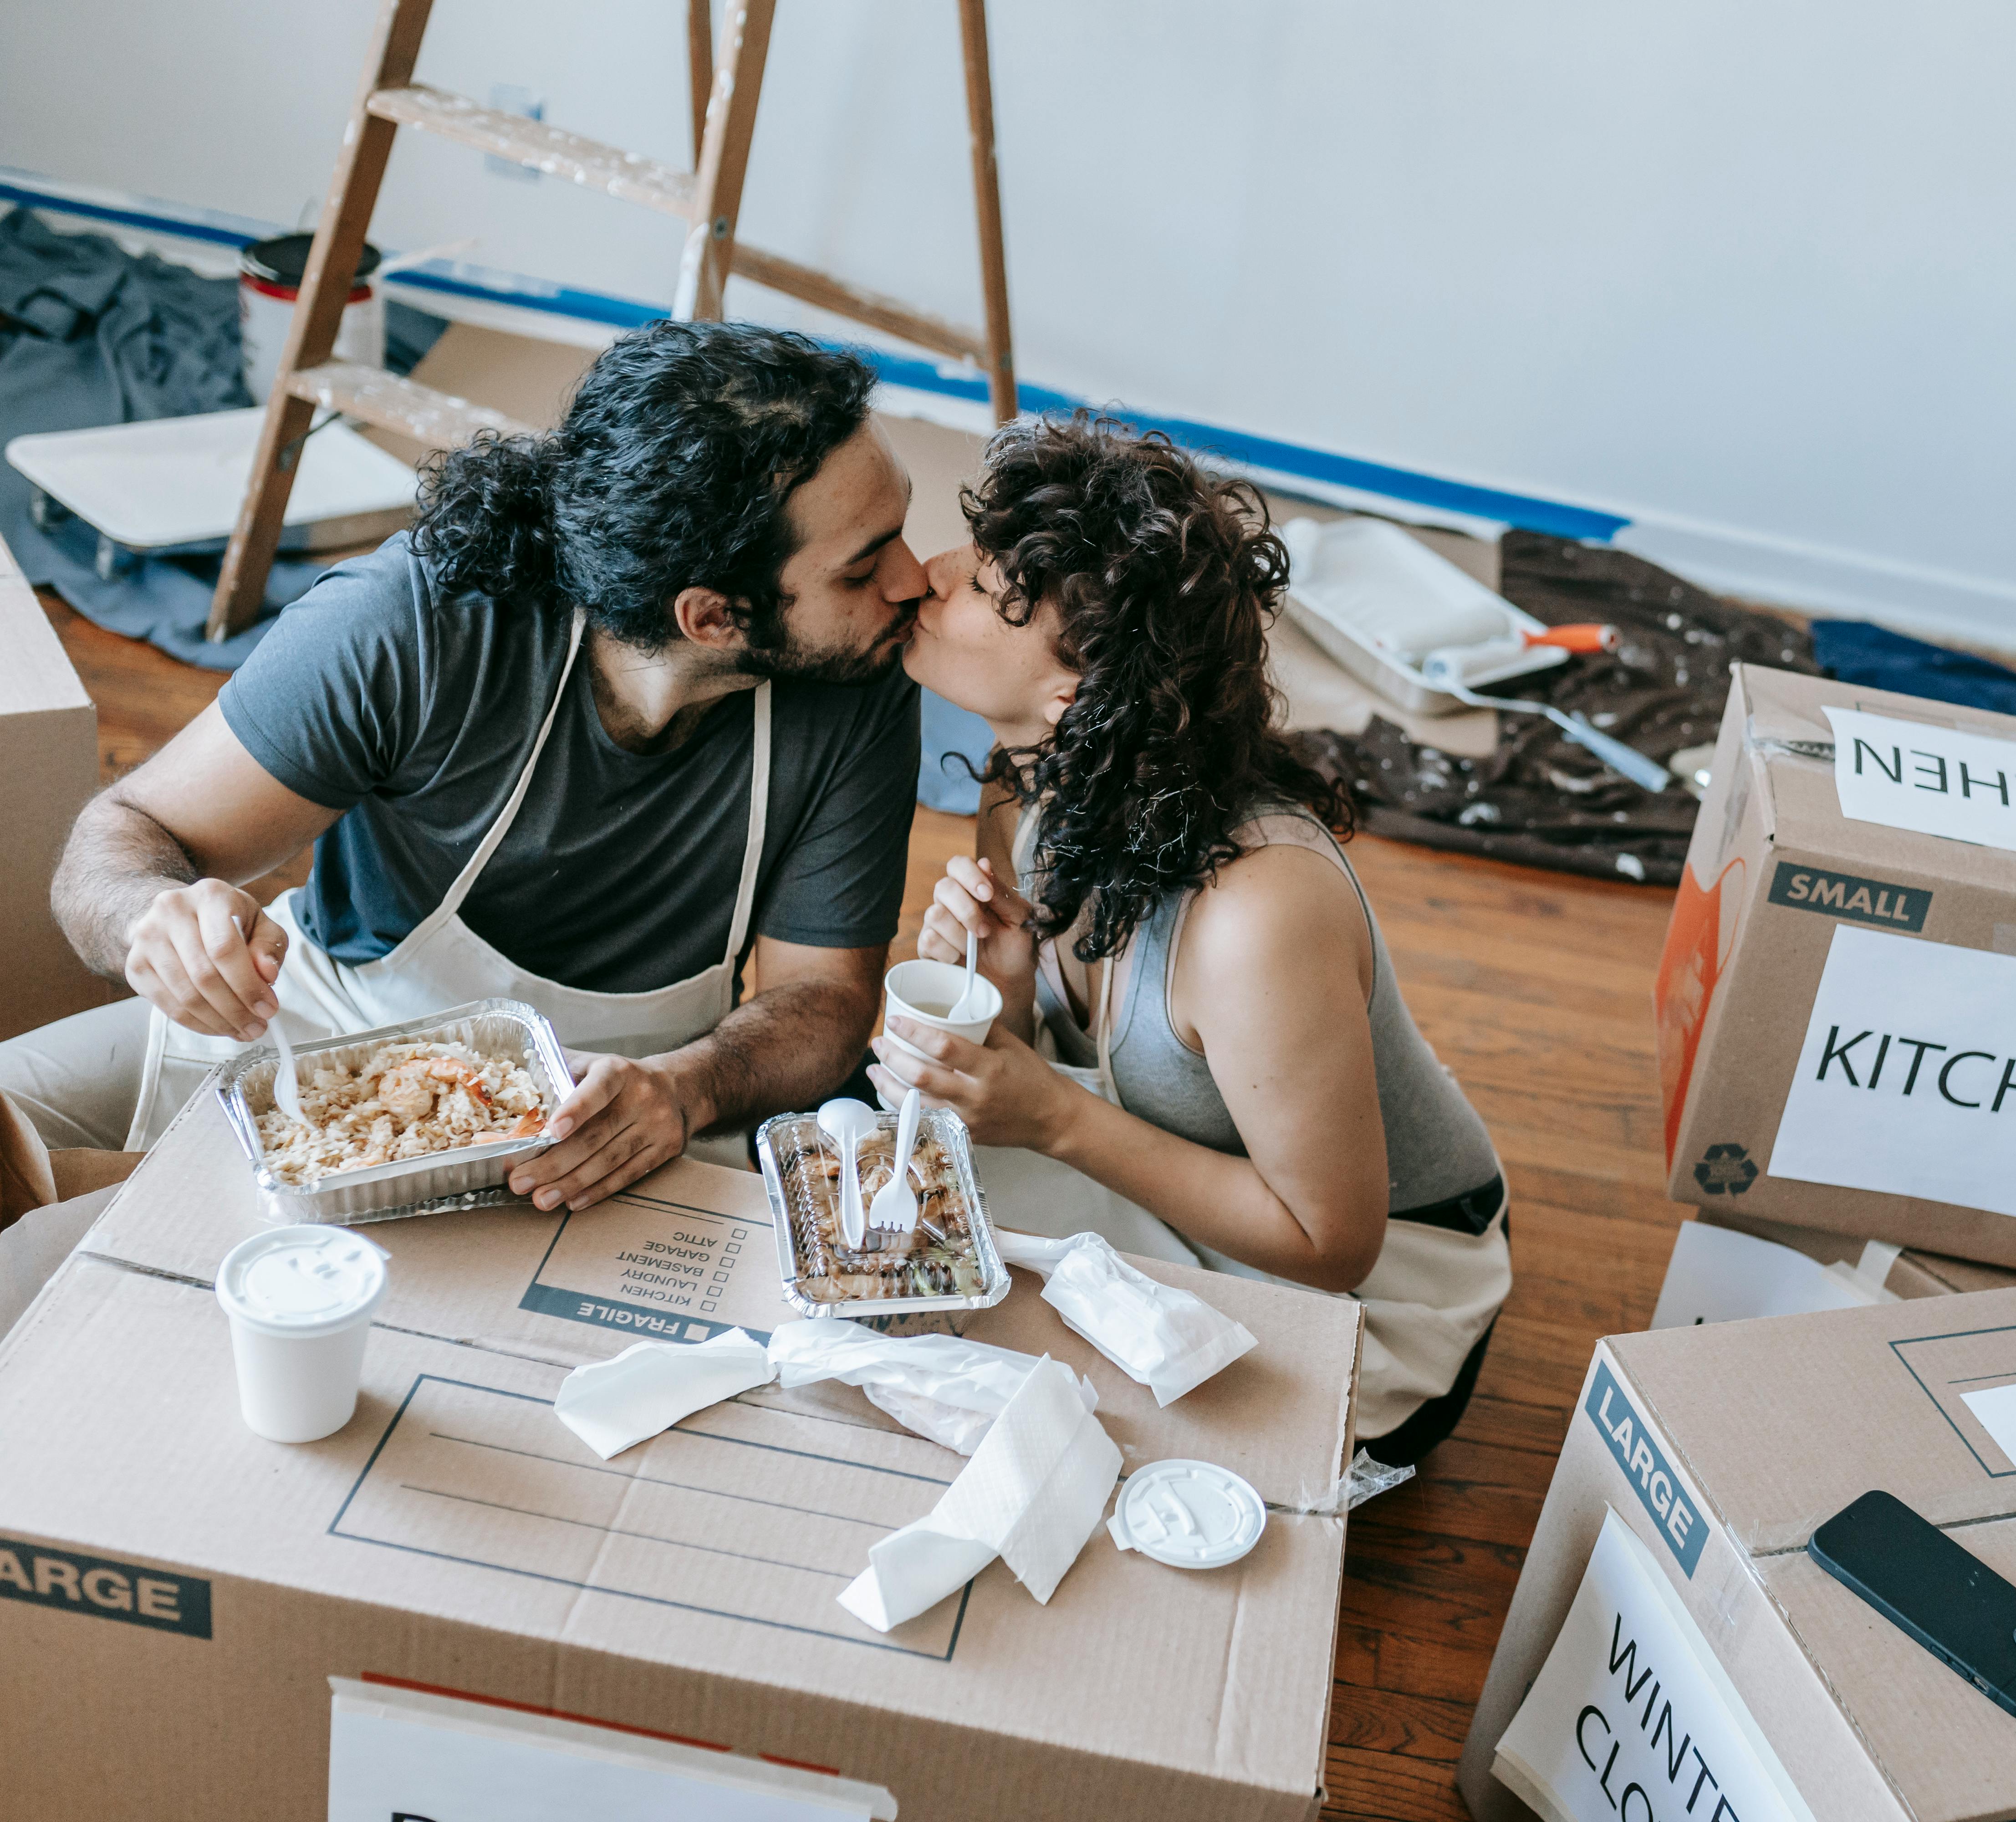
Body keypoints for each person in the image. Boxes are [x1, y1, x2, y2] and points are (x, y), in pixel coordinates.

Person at [3, 320, 929, 1224]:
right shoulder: (408, 626)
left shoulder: (857, 675)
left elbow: (828, 998)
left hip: (631, 1101)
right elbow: (119, 839)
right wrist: (152, 921)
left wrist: (689, 1088)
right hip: (332, 1037)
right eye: (863, 567)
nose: (914, 579)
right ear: (713, 616)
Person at [873, 415, 1510, 1466]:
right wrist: (1010, 996)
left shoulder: (1258, 913)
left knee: (1023, 1419)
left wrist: (1053, 1112)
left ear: (1072, 695)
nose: (927, 578)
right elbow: (1050, 1077)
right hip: (1173, 1184)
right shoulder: (1023, 775)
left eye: (984, 589)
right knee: (888, 1248)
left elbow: (1330, 1245)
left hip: (1384, 1286)